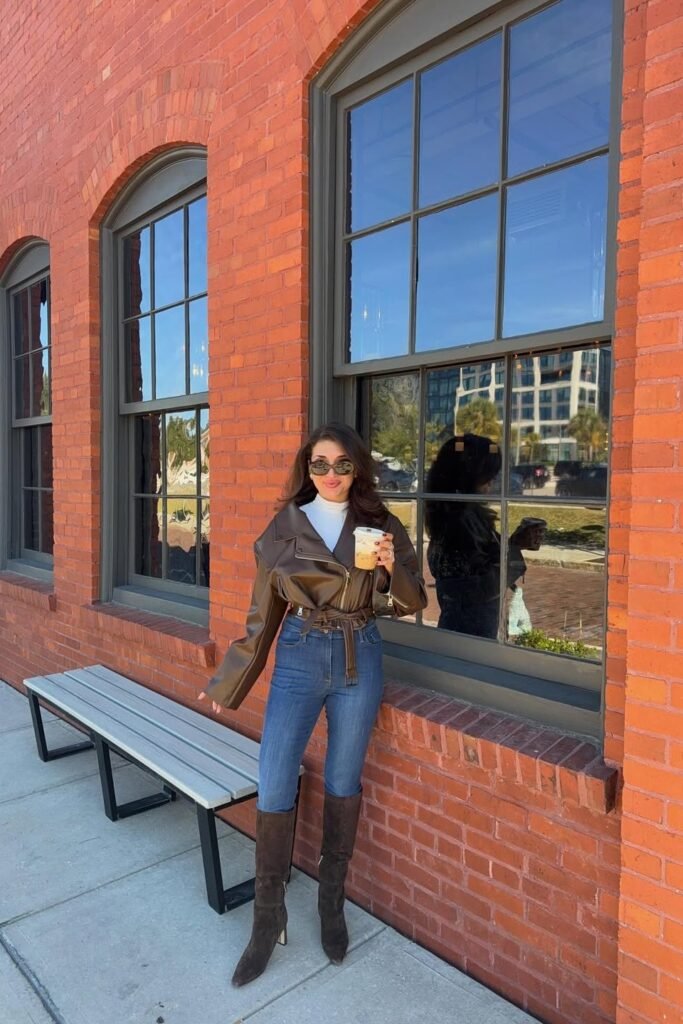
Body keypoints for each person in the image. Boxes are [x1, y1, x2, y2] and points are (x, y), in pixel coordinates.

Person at [200, 423, 427, 987]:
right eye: (319, 464)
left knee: (344, 782)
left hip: (360, 655)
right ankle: (266, 918)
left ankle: (331, 904)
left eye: (342, 465)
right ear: (307, 469)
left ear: (359, 470)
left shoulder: (380, 524)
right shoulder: (285, 527)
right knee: (275, 781)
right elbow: (261, 618)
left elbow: (412, 601)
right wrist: (230, 682)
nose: (330, 475)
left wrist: (391, 568)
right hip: (300, 653)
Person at [425, 433, 532, 638]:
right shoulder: (457, 524)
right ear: (468, 478)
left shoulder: (466, 517)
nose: (491, 483)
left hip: (474, 630)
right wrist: (514, 549)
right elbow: (477, 588)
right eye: (488, 476)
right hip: (466, 635)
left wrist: (514, 544)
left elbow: (481, 566)